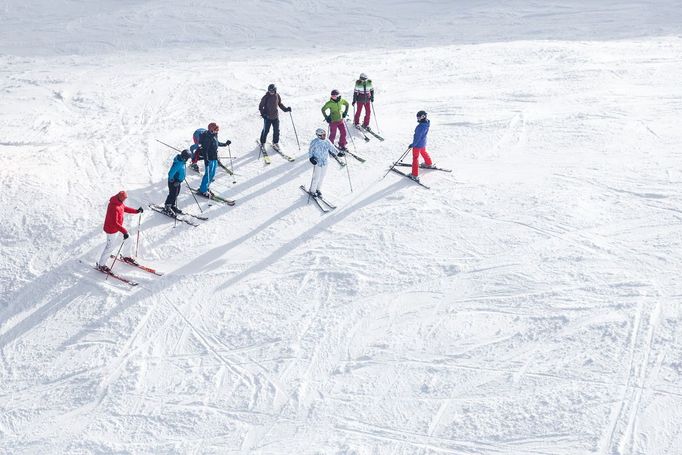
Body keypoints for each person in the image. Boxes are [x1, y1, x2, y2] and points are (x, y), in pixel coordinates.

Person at [97, 191, 143, 272]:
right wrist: (124, 231)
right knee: (110, 247)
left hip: (118, 228)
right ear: (120, 197)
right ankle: (101, 265)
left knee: (129, 239)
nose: (124, 200)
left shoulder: (119, 202)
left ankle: (126, 256)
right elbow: (114, 223)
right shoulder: (113, 207)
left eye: (125, 198)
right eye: (124, 198)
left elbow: (125, 208)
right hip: (111, 230)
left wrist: (136, 211)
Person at [197, 122, 231, 197]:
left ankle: (206, 187)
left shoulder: (214, 135)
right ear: (211, 130)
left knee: (212, 174)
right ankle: (202, 190)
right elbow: (205, 150)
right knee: (208, 174)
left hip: (214, 158)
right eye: (216, 130)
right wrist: (206, 160)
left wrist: (225, 144)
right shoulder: (207, 138)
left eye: (217, 129)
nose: (217, 131)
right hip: (209, 159)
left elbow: (217, 143)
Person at [308, 128, 339, 197]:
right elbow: (310, 151)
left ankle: (318, 189)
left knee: (322, 176)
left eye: (325, 134)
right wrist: (311, 158)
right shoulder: (314, 142)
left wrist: (338, 153)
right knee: (316, 177)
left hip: (325, 161)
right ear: (319, 135)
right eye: (322, 135)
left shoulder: (327, 141)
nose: (324, 136)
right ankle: (312, 190)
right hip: (317, 162)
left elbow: (332, 147)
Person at [408, 110, 435, 182]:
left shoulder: (420, 127)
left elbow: (417, 137)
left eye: (419, 118)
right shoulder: (426, 123)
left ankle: (414, 174)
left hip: (417, 145)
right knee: (423, 152)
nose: (417, 119)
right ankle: (428, 163)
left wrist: (413, 144)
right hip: (423, 143)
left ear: (423, 117)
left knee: (415, 158)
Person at [321, 89, 349, 153]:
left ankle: (342, 145)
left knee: (344, 132)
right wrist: (327, 117)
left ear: (338, 96)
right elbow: (323, 109)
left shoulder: (341, 101)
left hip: (340, 120)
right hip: (333, 121)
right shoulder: (330, 103)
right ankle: (330, 147)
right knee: (333, 134)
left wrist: (345, 112)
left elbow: (347, 104)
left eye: (334, 96)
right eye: (332, 96)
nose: (333, 98)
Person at [164, 149, 191, 215]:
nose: (188, 159)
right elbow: (171, 173)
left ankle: (172, 205)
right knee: (172, 194)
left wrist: (181, 178)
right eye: (187, 158)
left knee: (176, 194)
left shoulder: (182, 162)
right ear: (185, 157)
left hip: (178, 181)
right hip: (174, 182)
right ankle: (167, 206)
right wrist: (172, 180)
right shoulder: (178, 163)